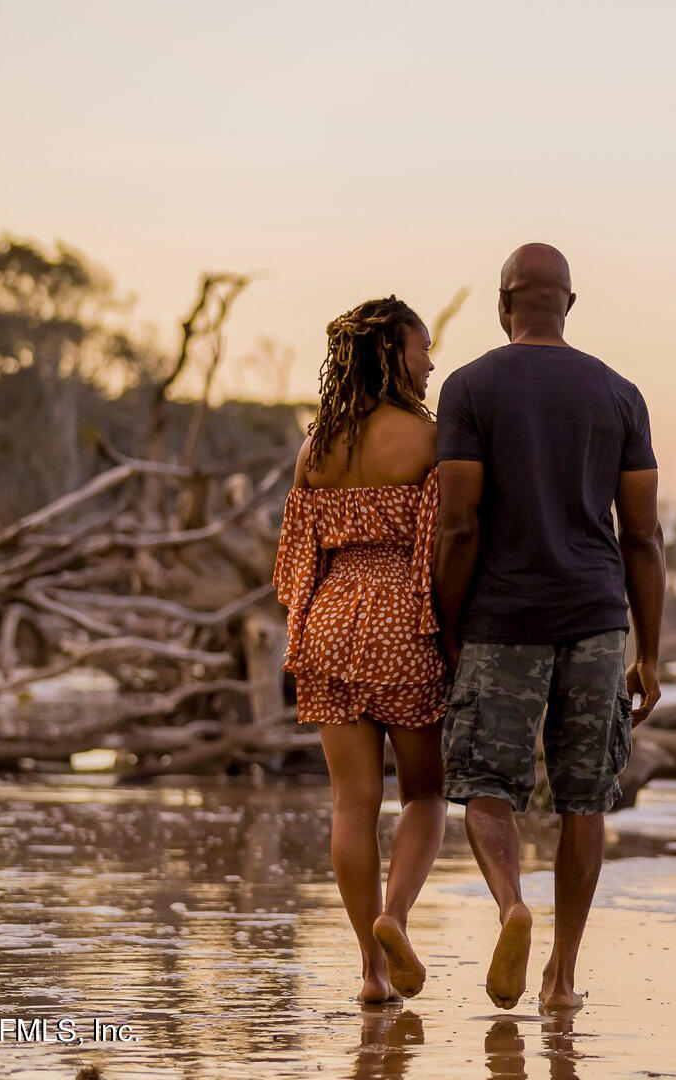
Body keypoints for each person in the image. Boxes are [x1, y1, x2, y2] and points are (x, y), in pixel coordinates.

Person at [432, 243, 666, 1012]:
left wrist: (448, 622)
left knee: (489, 790)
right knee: (584, 798)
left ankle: (512, 907)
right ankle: (561, 976)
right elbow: (642, 536)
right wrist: (651, 652)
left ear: (505, 305)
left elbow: (459, 522)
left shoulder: (470, 387)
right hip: (597, 621)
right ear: (570, 303)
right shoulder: (619, 394)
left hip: (503, 616)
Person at [272, 296, 449, 1004]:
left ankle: (372, 973)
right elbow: (443, 549)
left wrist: (314, 625)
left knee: (351, 803)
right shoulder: (431, 441)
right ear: (390, 354)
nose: (431, 363)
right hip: (402, 620)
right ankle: (394, 917)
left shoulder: (315, 450)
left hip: (328, 620)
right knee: (427, 792)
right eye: (422, 348)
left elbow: (293, 568)